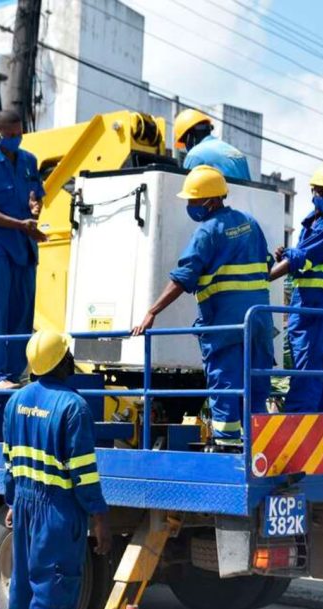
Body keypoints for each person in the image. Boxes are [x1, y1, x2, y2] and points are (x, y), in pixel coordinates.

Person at [132, 165, 274, 446]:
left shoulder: (207, 232)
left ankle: (228, 445)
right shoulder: (250, 222)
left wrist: (151, 312)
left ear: (209, 200)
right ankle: (259, 447)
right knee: (257, 385)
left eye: (193, 200)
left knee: (226, 385)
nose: (189, 205)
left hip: (225, 324)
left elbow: (182, 279)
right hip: (259, 322)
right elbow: (267, 265)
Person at [2, 330, 112, 609]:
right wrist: (99, 517)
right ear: (61, 362)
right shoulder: (73, 406)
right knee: (54, 589)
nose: (71, 361)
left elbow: (9, 461)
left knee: (23, 583)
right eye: (68, 355)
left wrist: (12, 502)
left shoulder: (14, 402)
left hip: (25, 503)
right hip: (57, 510)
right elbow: (83, 472)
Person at [0, 110, 48, 390]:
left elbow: (36, 195)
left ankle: (15, 375)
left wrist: (36, 207)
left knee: (22, 314)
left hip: (25, 247)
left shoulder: (29, 161)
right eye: (10, 136)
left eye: (19, 134)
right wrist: (19, 223)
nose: (16, 139)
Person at [269, 163, 323, 413]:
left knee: (308, 369)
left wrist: (269, 275)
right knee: (321, 371)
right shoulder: (311, 222)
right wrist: (286, 255)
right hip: (306, 304)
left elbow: (305, 257)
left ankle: (296, 421)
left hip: (321, 307)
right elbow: (299, 258)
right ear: (313, 191)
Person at [174, 109, 252, 181]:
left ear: (189, 136)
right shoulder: (238, 154)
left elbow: (188, 189)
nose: (186, 146)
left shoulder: (195, 155)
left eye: (184, 141)